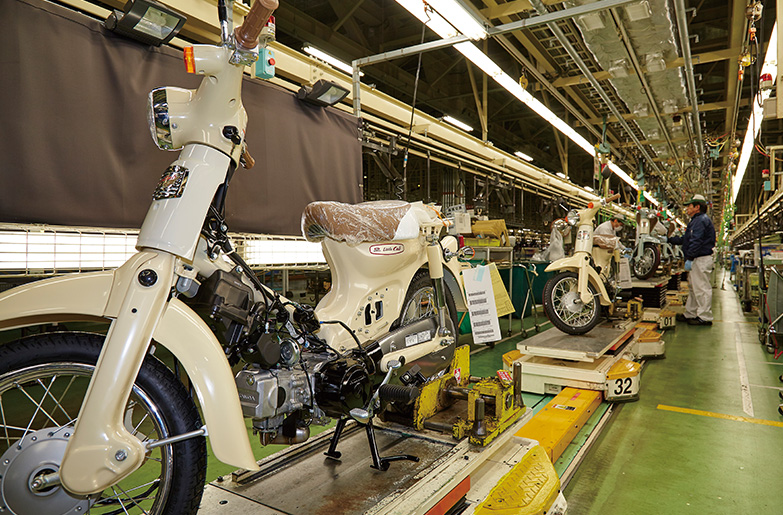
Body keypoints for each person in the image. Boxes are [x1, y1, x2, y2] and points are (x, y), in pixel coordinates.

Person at [667, 194, 716, 325]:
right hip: (697, 259)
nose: (686, 209)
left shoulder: (700, 221)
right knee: (694, 288)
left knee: (701, 288)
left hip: (700, 259)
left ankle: (705, 317)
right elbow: (686, 240)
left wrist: (689, 257)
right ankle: (691, 313)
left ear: (697, 207)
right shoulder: (696, 221)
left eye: (689, 206)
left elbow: (696, 241)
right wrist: (670, 240)